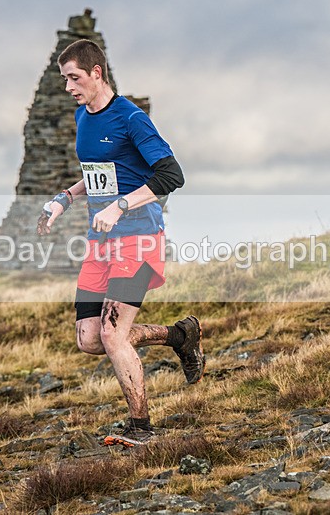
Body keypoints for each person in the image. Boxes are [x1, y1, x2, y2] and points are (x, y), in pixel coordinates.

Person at [36, 39, 204, 443]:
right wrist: (66, 198)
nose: (68, 87)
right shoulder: (82, 117)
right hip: (101, 242)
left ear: (96, 73)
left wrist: (120, 206)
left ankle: (141, 427)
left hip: (139, 238)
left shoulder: (132, 119)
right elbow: (98, 172)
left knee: (114, 336)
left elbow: (171, 175)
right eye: (64, 79)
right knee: (90, 339)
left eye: (74, 78)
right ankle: (180, 336)